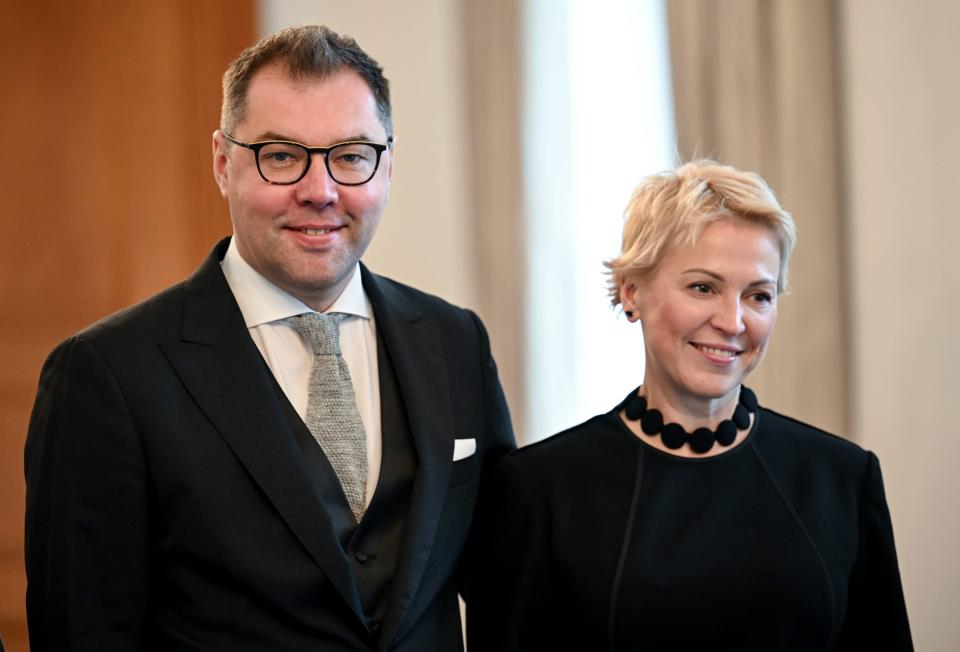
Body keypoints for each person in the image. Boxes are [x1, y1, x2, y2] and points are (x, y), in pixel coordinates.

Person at [25, 25, 514, 651]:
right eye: (281, 155)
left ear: (387, 166)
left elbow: (508, 587)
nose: (320, 190)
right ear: (223, 165)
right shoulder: (106, 373)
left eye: (350, 155)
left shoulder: (456, 343)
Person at [467, 160, 912, 650]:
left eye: (758, 296)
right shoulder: (538, 490)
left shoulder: (842, 479)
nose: (733, 321)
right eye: (704, 287)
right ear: (632, 291)